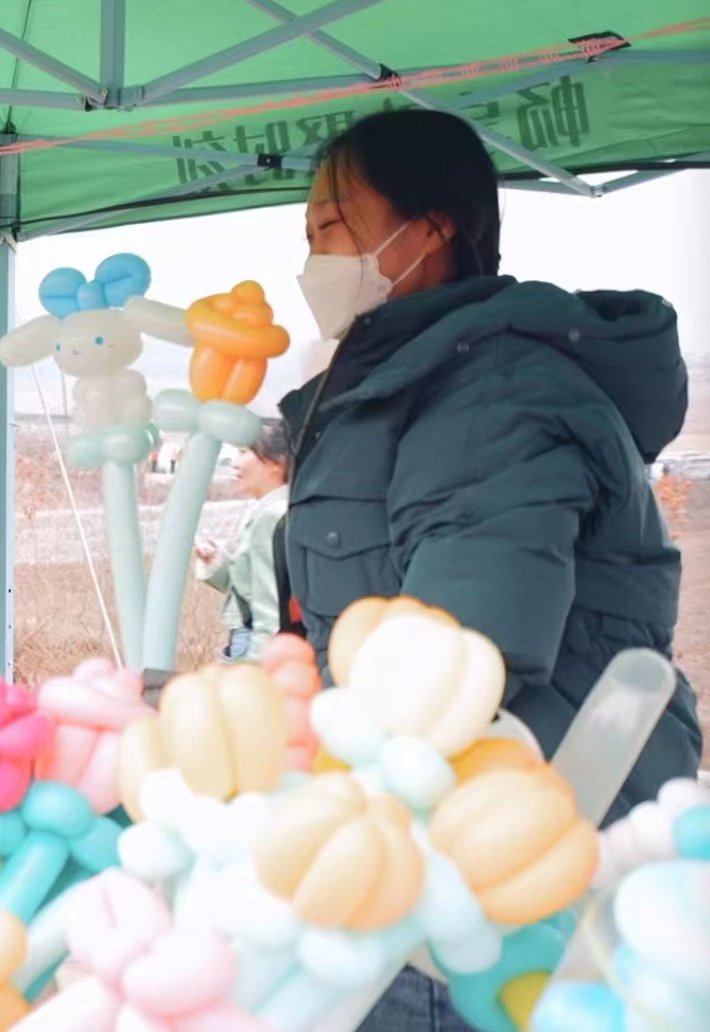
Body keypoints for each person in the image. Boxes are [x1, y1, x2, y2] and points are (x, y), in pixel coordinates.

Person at [276, 110, 700, 1031]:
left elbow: (464, 653)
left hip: (504, 868)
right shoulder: (395, 384)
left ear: (431, 228)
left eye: (334, 225)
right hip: (425, 846)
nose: (312, 255)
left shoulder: (494, 387)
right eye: (306, 234)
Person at [194, 421, 289, 662]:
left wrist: (257, 671)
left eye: (244, 452)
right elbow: (256, 589)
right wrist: (218, 563)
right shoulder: (271, 509)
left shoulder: (272, 516)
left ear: (277, 462)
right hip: (253, 639)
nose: (234, 463)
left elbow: (272, 610)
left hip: (255, 642)